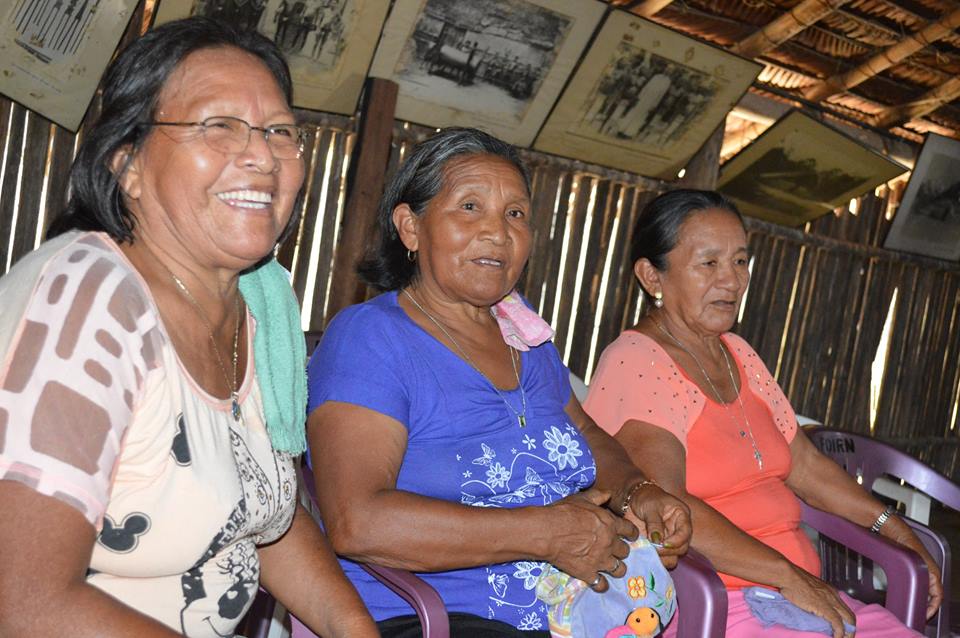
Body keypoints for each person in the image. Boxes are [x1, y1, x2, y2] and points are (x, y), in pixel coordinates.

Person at [0, 17, 377, 638]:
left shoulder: (259, 308)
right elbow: (24, 603)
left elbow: (259, 511)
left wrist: (354, 628)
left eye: (279, 131)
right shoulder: (88, 302)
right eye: (218, 126)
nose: (260, 155)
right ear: (129, 166)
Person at [306, 127, 692, 636]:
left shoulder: (525, 331)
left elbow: (586, 434)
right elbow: (359, 522)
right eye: (469, 207)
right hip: (435, 616)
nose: (498, 232)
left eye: (515, 214)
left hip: (572, 611)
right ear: (410, 227)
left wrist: (636, 491)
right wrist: (544, 533)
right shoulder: (370, 338)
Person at [583, 189, 943, 638]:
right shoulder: (637, 362)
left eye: (740, 261)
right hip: (713, 603)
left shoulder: (738, 353)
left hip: (791, 595)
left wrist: (897, 531)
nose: (732, 281)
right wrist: (788, 575)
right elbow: (665, 505)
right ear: (652, 276)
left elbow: (807, 467)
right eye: (709, 263)